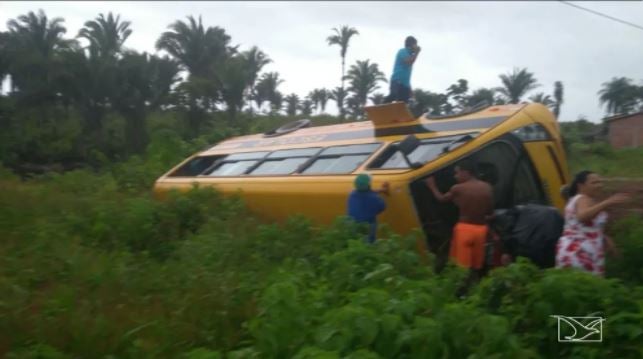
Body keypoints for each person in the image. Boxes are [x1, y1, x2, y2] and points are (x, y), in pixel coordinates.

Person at [555, 170, 630, 276]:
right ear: (581, 186)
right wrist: (608, 202)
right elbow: (583, 217)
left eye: (600, 182)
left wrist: (610, 244)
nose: (600, 185)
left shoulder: (582, 200)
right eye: (594, 183)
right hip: (579, 251)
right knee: (584, 287)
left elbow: (592, 228)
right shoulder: (582, 198)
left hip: (581, 250)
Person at [425, 159, 494, 272]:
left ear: (466, 172)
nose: (455, 176)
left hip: (465, 230)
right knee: (477, 265)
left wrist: (432, 186)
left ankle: (464, 286)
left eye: (457, 173)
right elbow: (490, 213)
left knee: (462, 266)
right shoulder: (487, 187)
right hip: (481, 230)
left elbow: (441, 199)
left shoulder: (457, 188)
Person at [347, 173, 390, 244]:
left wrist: (381, 190)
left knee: (357, 243)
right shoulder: (374, 198)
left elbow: (366, 192)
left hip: (353, 225)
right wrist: (384, 191)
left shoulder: (352, 194)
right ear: (369, 185)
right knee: (369, 242)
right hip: (368, 225)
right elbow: (382, 207)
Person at [385, 36, 421, 104]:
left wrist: (410, 91)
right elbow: (408, 62)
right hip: (397, 81)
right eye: (415, 44)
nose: (416, 46)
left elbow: (406, 75)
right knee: (393, 95)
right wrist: (417, 53)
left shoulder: (411, 56)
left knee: (403, 104)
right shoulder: (402, 51)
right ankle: (383, 106)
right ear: (411, 44)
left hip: (405, 85)